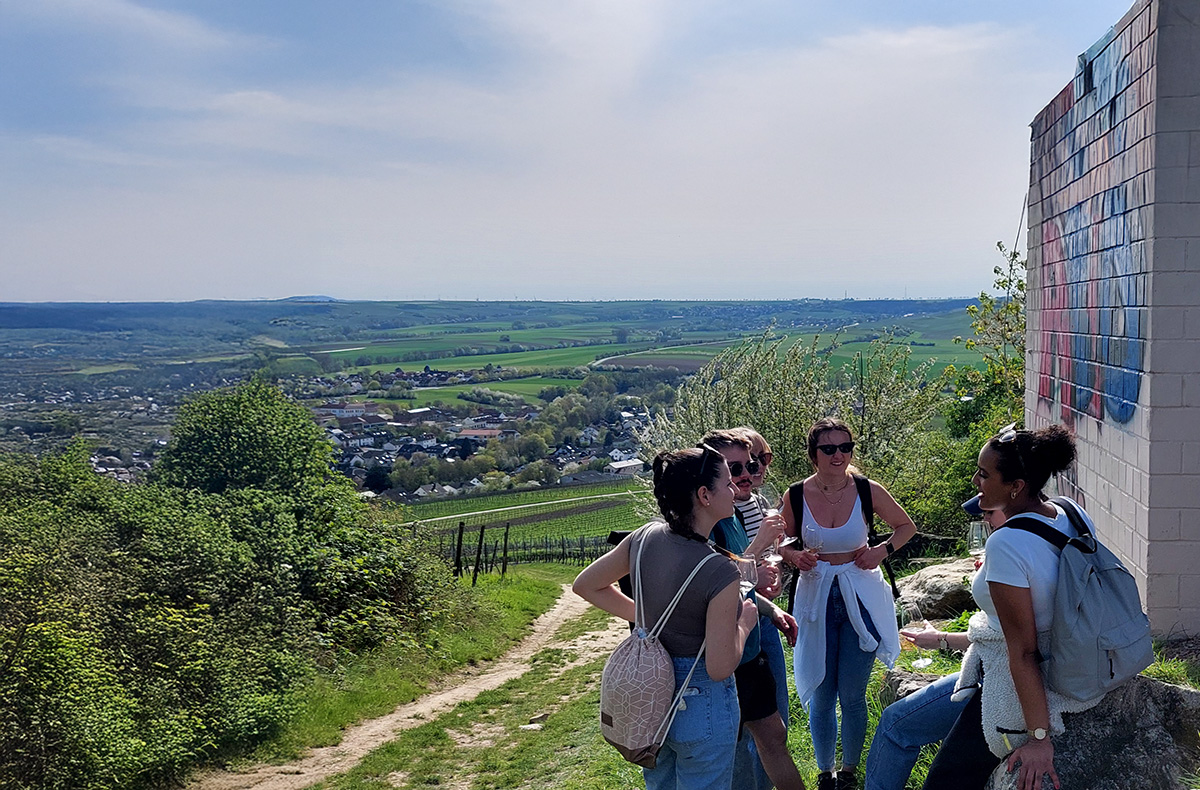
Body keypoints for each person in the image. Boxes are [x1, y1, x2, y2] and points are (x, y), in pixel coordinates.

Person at [921, 424, 1102, 790]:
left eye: (984, 474)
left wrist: (1038, 738)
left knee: (943, 782)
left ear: (1016, 486)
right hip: (1080, 660)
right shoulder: (1070, 512)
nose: (975, 481)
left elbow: (1023, 652)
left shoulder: (1006, 543)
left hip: (1023, 685)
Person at [573, 446, 759, 790]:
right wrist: (744, 624)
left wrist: (646, 616)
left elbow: (586, 585)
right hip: (700, 699)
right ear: (704, 495)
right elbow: (719, 666)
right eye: (727, 483)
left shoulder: (644, 537)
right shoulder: (720, 571)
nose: (735, 490)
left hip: (649, 694)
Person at [779, 418, 916, 790]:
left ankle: (849, 772)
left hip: (861, 596)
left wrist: (881, 551)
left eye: (845, 447)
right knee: (822, 693)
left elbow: (906, 526)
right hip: (816, 597)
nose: (838, 455)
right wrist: (794, 556)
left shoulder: (867, 490)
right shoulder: (796, 494)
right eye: (829, 448)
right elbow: (779, 540)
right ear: (814, 454)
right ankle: (825, 772)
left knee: (852, 694)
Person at [862, 500, 1007, 790]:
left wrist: (942, 640)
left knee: (894, 726)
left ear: (1016, 491)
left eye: (990, 513)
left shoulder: (1014, 549)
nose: (986, 521)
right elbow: (998, 631)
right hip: (990, 670)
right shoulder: (1050, 529)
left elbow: (1008, 640)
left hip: (997, 681)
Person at [700, 429, 804, 790]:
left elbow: (742, 583)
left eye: (752, 465)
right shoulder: (704, 523)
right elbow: (719, 584)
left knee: (774, 736)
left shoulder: (732, 515)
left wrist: (770, 610)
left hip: (751, 645)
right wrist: (759, 546)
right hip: (723, 653)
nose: (748, 474)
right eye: (736, 469)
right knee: (738, 745)